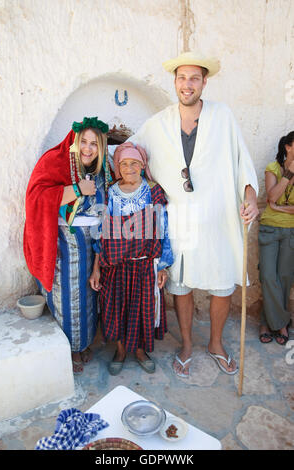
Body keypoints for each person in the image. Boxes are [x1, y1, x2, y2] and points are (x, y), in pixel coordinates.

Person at [128, 52, 259, 377]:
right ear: (175, 82)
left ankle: (215, 343)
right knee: (181, 286)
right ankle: (186, 343)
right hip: (180, 221)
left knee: (221, 286)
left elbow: (242, 160)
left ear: (204, 82)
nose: (188, 84)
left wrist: (251, 197)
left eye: (194, 78)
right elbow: (130, 150)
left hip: (219, 218)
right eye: (182, 78)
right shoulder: (158, 123)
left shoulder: (222, 116)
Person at [24, 116, 111, 374]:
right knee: (67, 300)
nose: (87, 148)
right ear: (74, 141)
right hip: (62, 247)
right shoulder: (55, 161)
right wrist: (76, 189)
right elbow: (37, 197)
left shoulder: (102, 168)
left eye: (94, 144)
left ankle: (82, 344)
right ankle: (69, 350)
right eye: (83, 142)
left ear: (101, 147)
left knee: (88, 298)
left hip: (91, 247)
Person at [89, 142, 174, 375]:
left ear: (142, 165)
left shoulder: (153, 191)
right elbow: (100, 233)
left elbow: (163, 229)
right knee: (116, 308)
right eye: (124, 164)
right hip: (115, 265)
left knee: (142, 309)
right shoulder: (110, 195)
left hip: (145, 264)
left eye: (134, 163)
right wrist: (96, 268)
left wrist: (163, 266)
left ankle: (139, 350)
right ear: (117, 167)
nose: (129, 168)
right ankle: (120, 350)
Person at [258, 131, 294, 345]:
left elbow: (275, 202)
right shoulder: (273, 168)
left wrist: (279, 208)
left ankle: (265, 323)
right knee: (268, 277)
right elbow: (271, 196)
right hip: (270, 229)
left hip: (291, 231)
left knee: (285, 278)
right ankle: (282, 323)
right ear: (288, 147)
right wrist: (288, 174)